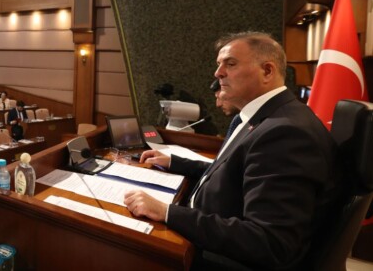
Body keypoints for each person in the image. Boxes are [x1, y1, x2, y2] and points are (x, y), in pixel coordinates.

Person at [125, 32, 339, 269]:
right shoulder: (265, 117)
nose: (218, 73)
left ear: (267, 71)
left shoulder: (285, 133)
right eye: (219, 65)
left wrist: (167, 212)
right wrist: (176, 162)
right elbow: (235, 171)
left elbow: (269, 242)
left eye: (231, 64)